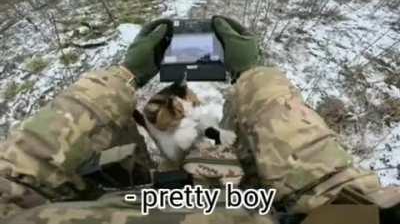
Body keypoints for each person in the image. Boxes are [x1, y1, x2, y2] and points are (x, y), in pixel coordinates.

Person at [0, 16, 399, 224]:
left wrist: (121, 78)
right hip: (253, 202)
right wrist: (255, 77)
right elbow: (338, 196)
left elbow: (14, 179)